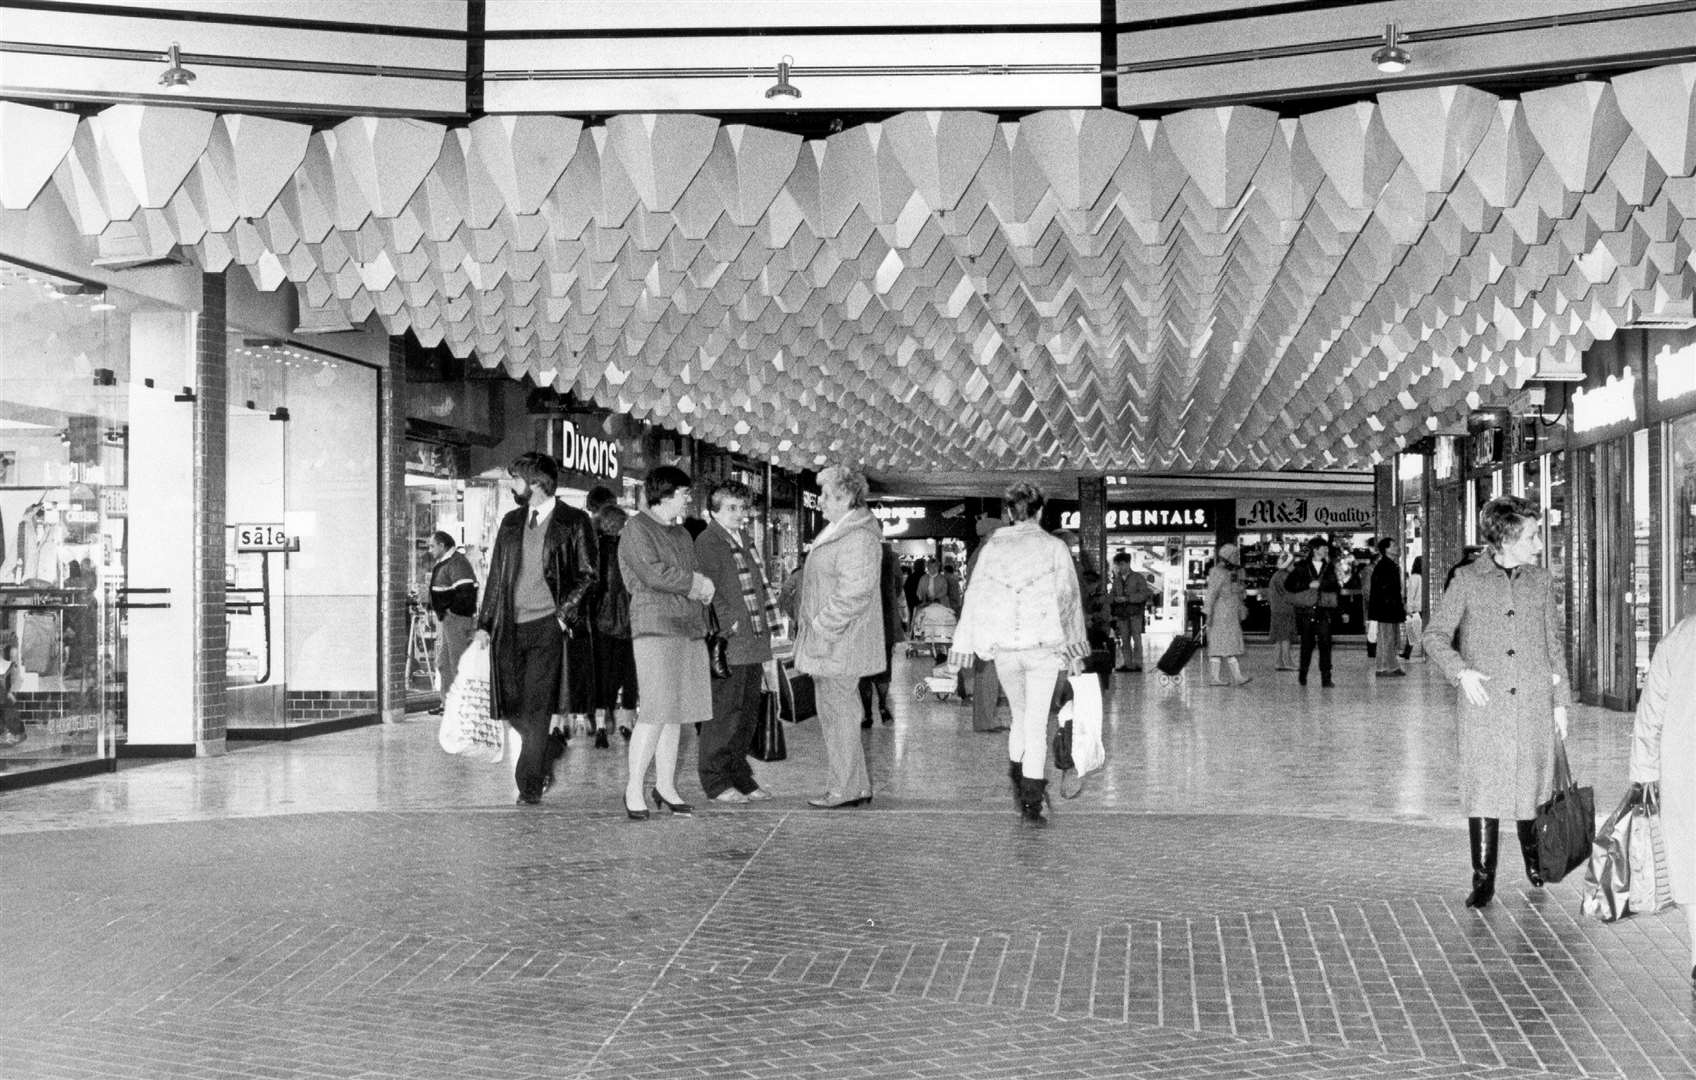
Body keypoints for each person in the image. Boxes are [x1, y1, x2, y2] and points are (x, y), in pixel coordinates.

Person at [1425, 496, 1570, 910]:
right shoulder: (1467, 580)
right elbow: (1434, 636)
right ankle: (1483, 879)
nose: (1539, 543)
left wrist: (1561, 702)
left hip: (1533, 704)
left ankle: (1534, 862)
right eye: (1532, 535)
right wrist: (1461, 671)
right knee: (1484, 787)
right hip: (1485, 706)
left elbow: (1552, 645)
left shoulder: (1541, 581)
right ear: (1505, 537)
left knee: (1532, 784)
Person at [949, 481, 1088, 827]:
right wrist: (1075, 653)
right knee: (1037, 723)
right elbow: (1068, 600)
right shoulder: (1054, 547)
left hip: (1006, 651)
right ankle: (1031, 802)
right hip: (1043, 648)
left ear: (1009, 512)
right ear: (1040, 511)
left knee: (1019, 716)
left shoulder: (992, 548)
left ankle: (1018, 779)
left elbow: (975, 596)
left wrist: (963, 647)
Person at [473, 452, 599, 806]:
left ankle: (528, 784)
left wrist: (563, 615)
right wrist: (485, 624)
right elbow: (497, 576)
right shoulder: (511, 521)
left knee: (537, 704)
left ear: (537, 484)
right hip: (510, 627)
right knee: (512, 703)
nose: (512, 485)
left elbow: (589, 575)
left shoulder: (574, 522)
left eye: (517, 479)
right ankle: (549, 746)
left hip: (549, 625)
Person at [619, 465, 714, 820]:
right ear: (666, 494)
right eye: (684, 494)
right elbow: (651, 573)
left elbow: (689, 575)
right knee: (657, 709)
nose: (688, 500)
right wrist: (696, 584)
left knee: (677, 712)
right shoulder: (635, 529)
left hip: (688, 627)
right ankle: (633, 788)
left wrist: (699, 590)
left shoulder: (682, 534)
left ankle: (666, 786)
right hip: (655, 626)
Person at [793, 464, 884, 809]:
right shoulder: (843, 531)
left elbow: (853, 594)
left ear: (847, 497)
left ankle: (843, 788)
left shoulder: (856, 536)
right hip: (836, 642)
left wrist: (820, 629)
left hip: (838, 643)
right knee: (840, 714)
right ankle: (854, 785)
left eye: (828, 496)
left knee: (838, 716)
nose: (822, 502)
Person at [694, 480, 777, 804]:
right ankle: (715, 780)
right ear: (713, 510)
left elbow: (758, 587)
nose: (740, 513)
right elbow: (705, 591)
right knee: (724, 714)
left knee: (746, 716)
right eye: (732, 507)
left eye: (743, 507)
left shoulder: (745, 540)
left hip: (753, 641)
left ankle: (739, 775)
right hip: (730, 643)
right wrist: (731, 621)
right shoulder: (708, 541)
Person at [1629, 614, 1696, 983]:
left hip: (1684, 770)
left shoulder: (1678, 637)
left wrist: (1644, 774)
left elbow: (1650, 714)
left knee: (1691, 863)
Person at [591, 504, 638, 746]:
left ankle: (600, 726)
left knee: (602, 675)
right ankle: (626, 723)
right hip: (629, 621)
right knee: (629, 674)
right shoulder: (629, 551)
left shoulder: (595, 549)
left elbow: (593, 586)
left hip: (601, 622)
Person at [427, 531, 479, 712]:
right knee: (444, 664)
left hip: (456, 620)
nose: (429, 550)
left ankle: (462, 706)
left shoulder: (457, 562)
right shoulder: (446, 563)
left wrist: (452, 612)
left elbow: (467, 590)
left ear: (442, 545)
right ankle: (448, 704)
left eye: (432, 546)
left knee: (457, 663)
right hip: (448, 621)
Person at [1284, 535, 1340, 687]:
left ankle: (1326, 678)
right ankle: (1303, 675)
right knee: (1306, 645)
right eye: (1324, 548)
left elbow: (1336, 586)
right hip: (1306, 611)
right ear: (1315, 550)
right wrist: (1308, 584)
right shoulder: (1301, 566)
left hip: (1324, 611)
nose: (1326, 550)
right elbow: (1289, 585)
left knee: (1325, 645)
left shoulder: (1329, 567)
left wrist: (1322, 584)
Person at [859, 542, 903, 727]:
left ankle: (867, 714)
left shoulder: (857, 552)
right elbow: (899, 586)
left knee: (863, 672)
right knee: (884, 669)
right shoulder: (891, 557)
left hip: (862, 622)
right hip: (885, 621)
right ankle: (883, 706)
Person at [1202, 543, 1252, 686]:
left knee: (1230, 646)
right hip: (1220, 614)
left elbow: (1237, 592)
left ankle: (1237, 676)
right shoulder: (1217, 572)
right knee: (1219, 646)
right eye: (1235, 555)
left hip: (1230, 615)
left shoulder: (1234, 572)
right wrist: (1208, 613)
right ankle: (1216, 678)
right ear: (1227, 556)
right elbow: (1211, 593)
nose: (1238, 557)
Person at [1368, 537, 1408, 677]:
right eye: (1394, 545)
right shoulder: (1384, 566)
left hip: (1390, 609)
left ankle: (1392, 665)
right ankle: (1382, 667)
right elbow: (1383, 591)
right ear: (1387, 550)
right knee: (1386, 638)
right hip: (1384, 610)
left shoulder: (1390, 565)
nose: (1397, 547)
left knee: (1391, 638)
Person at [1109, 552, 1155, 672]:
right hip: (1122, 614)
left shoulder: (1138, 577)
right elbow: (1112, 594)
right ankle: (1128, 664)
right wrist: (1114, 598)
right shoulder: (1117, 580)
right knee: (1125, 639)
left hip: (1135, 613)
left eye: (1122, 564)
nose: (1120, 567)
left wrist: (1128, 598)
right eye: (1118, 565)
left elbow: (1144, 594)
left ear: (1128, 564)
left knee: (1136, 638)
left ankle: (1138, 664)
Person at [1267, 551, 1298, 671]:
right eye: (1292, 564)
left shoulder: (1276, 575)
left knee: (1279, 638)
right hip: (1284, 610)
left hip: (1277, 610)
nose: (1293, 567)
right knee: (1286, 637)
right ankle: (1288, 662)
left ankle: (1278, 662)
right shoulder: (1284, 577)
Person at [1402, 554, 1425, 661]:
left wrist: (1409, 609)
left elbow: (1411, 594)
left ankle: (1407, 652)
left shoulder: (1414, 577)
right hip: (1425, 607)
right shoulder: (1426, 576)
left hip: (1416, 607)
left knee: (1411, 630)